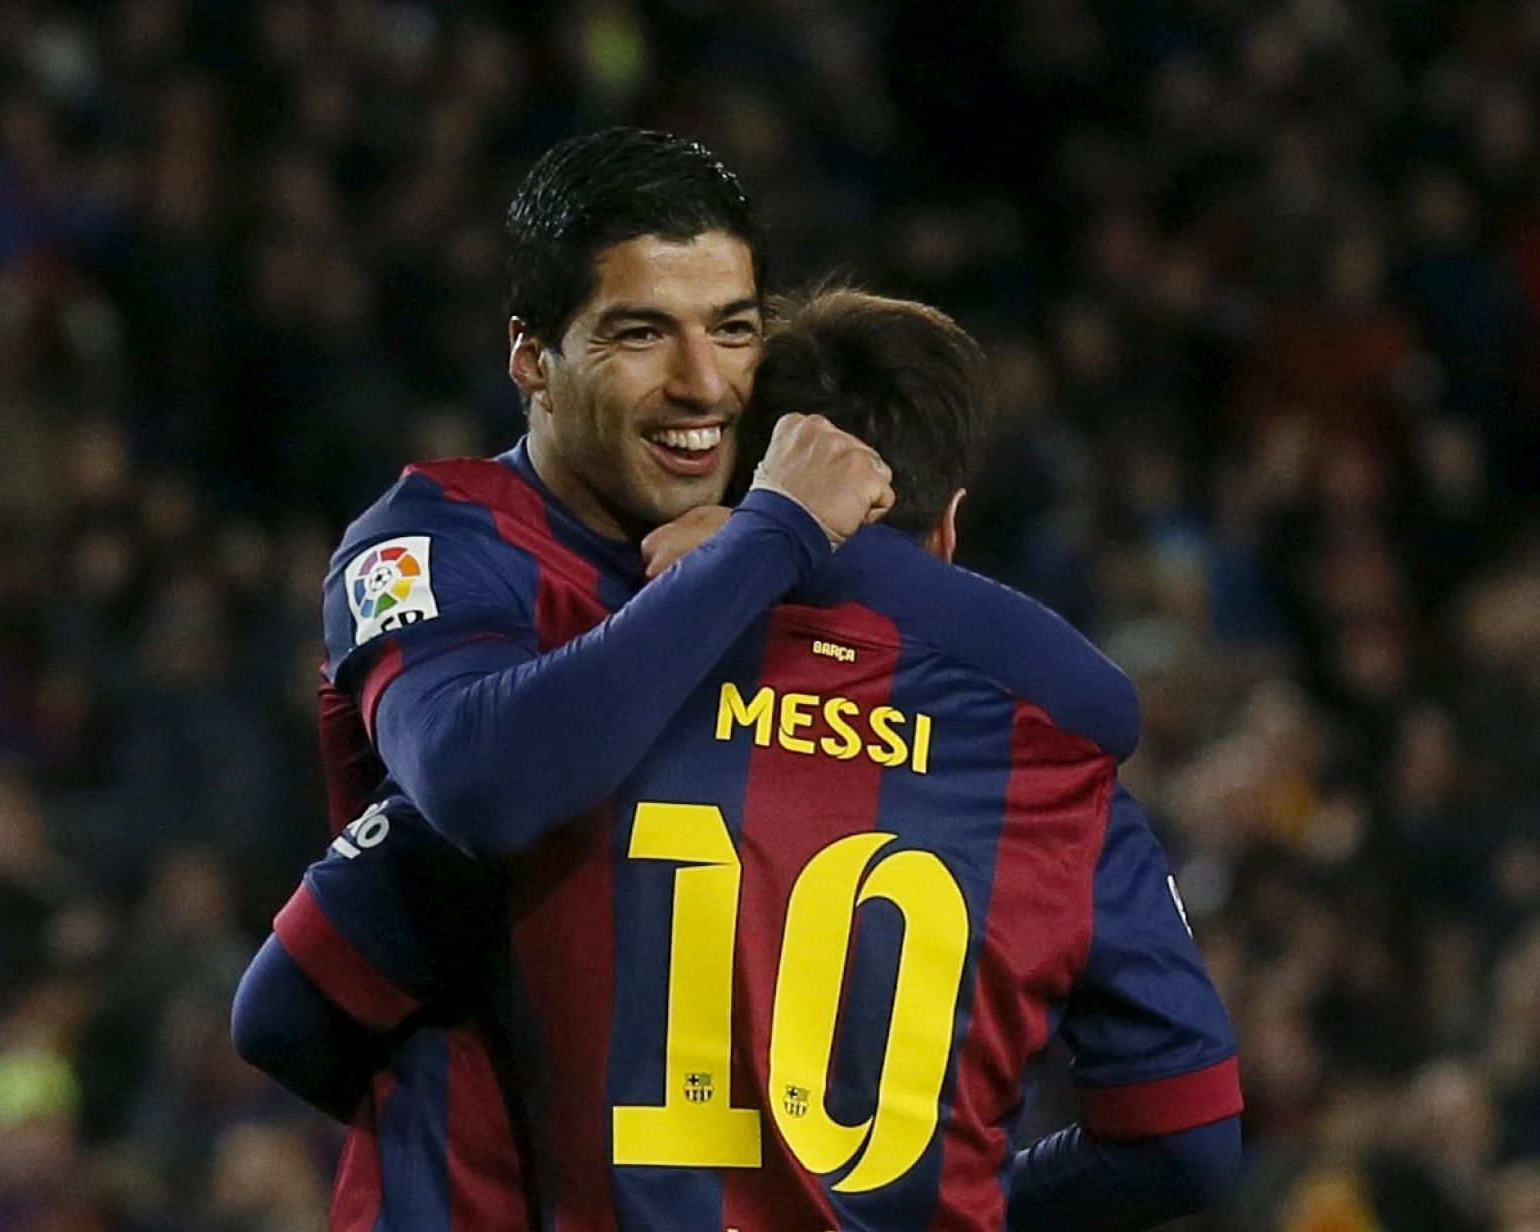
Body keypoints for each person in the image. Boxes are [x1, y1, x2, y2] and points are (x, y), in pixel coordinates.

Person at [239, 286, 1243, 1230]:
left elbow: (288, 1010)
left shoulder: (581, 718)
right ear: (947, 527)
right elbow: (1185, 1138)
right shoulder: (1060, 764)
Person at [233, 127, 895, 1230]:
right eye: (641, 334)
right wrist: (759, 552)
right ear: (532, 357)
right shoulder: (432, 545)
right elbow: (483, 778)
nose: (702, 383)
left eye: (732, 330)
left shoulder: (803, 562)